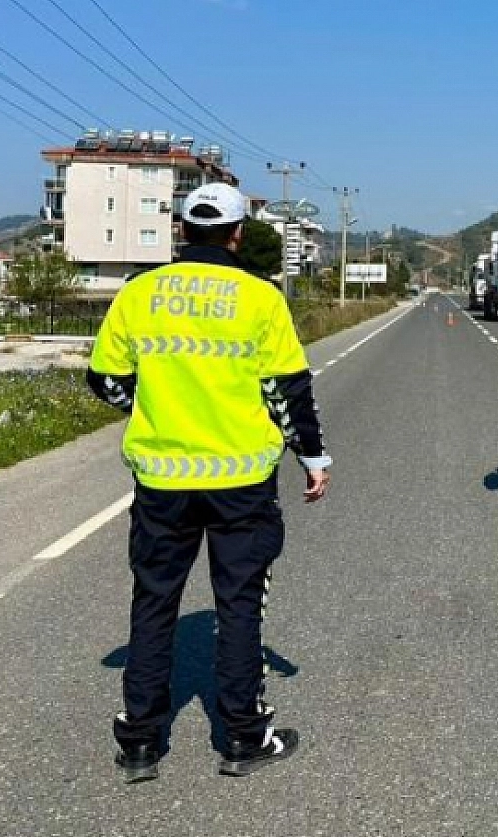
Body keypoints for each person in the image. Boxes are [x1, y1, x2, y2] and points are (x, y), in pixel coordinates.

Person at [87, 181, 330, 782]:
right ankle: (244, 737)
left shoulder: (139, 292)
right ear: (237, 233)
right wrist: (312, 455)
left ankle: (140, 742)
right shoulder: (260, 297)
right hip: (241, 480)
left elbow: (105, 380)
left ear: (181, 229)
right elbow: (287, 390)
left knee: (153, 602)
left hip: (162, 479)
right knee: (239, 605)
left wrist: (152, 408)